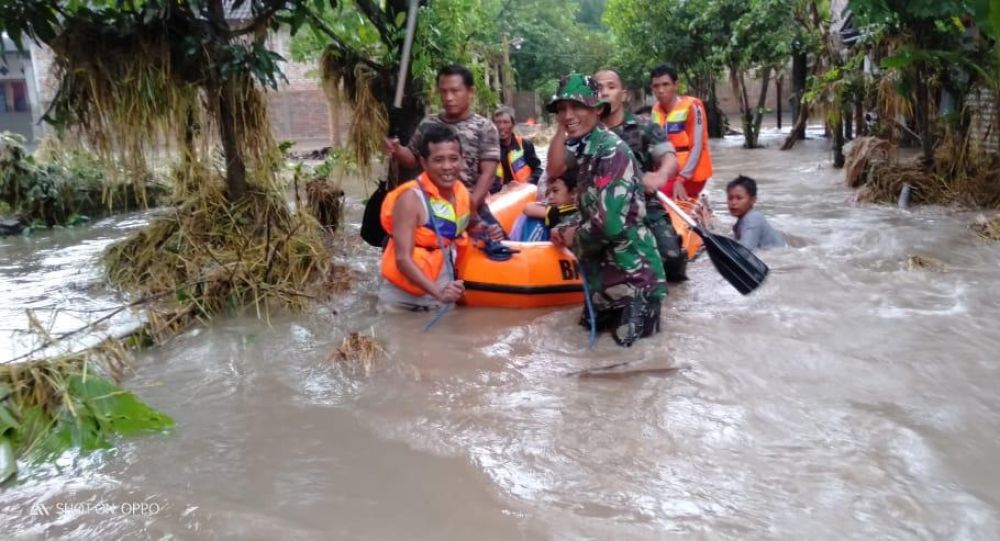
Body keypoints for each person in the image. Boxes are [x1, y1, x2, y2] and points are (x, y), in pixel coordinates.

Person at [546, 73, 666, 347]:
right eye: (562, 109)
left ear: (597, 110)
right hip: (604, 284)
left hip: (634, 285)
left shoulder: (612, 151)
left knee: (629, 369)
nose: (568, 115)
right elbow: (591, 210)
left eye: (576, 106)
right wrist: (567, 226)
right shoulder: (588, 150)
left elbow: (609, 224)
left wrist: (573, 237)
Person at [594, 68, 688, 282]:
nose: (605, 93)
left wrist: (660, 176)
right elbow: (559, 169)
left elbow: (669, 157)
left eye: (611, 87)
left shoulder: (643, 126)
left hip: (644, 204)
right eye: (599, 89)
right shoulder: (587, 133)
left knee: (671, 259)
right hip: (601, 207)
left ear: (624, 94)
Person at [383, 64, 501, 215]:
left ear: (470, 91)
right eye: (443, 92)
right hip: (430, 205)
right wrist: (397, 149)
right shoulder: (428, 124)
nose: (449, 97)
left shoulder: (485, 127)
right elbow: (412, 159)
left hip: (470, 204)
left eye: (455, 91)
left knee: (494, 236)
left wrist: (468, 208)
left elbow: (488, 174)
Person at [378, 125, 471, 312]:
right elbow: (402, 260)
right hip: (402, 301)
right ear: (424, 163)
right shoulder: (410, 199)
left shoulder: (462, 193)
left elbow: (464, 232)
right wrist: (438, 293)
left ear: (462, 160)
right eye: (438, 160)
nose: (447, 167)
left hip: (442, 288)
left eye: (453, 159)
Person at [649, 64, 714, 201]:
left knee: (655, 194)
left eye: (665, 84)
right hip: (667, 170)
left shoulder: (693, 106)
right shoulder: (655, 110)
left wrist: (681, 179)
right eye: (656, 86)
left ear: (675, 85)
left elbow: (697, 146)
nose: (661, 90)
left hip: (689, 175)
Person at [725, 175, 786, 251]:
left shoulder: (752, 218)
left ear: (753, 200)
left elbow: (745, 250)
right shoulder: (740, 223)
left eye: (739, 198)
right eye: (730, 198)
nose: (733, 202)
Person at [516, 169, 578, 242]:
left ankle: (527, 250)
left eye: (555, 191)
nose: (551, 196)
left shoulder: (572, 210)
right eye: (549, 192)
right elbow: (528, 208)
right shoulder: (555, 207)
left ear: (573, 193)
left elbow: (528, 209)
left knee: (537, 221)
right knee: (535, 219)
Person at [491, 106, 542, 193]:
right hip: (499, 196)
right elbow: (485, 178)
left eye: (506, 122)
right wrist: (502, 189)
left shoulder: (525, 144)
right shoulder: (488, 150)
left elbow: (538, 170)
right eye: (497, 123)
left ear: (513, 124)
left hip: (523, 193)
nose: (501, 127)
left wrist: (526, 184)